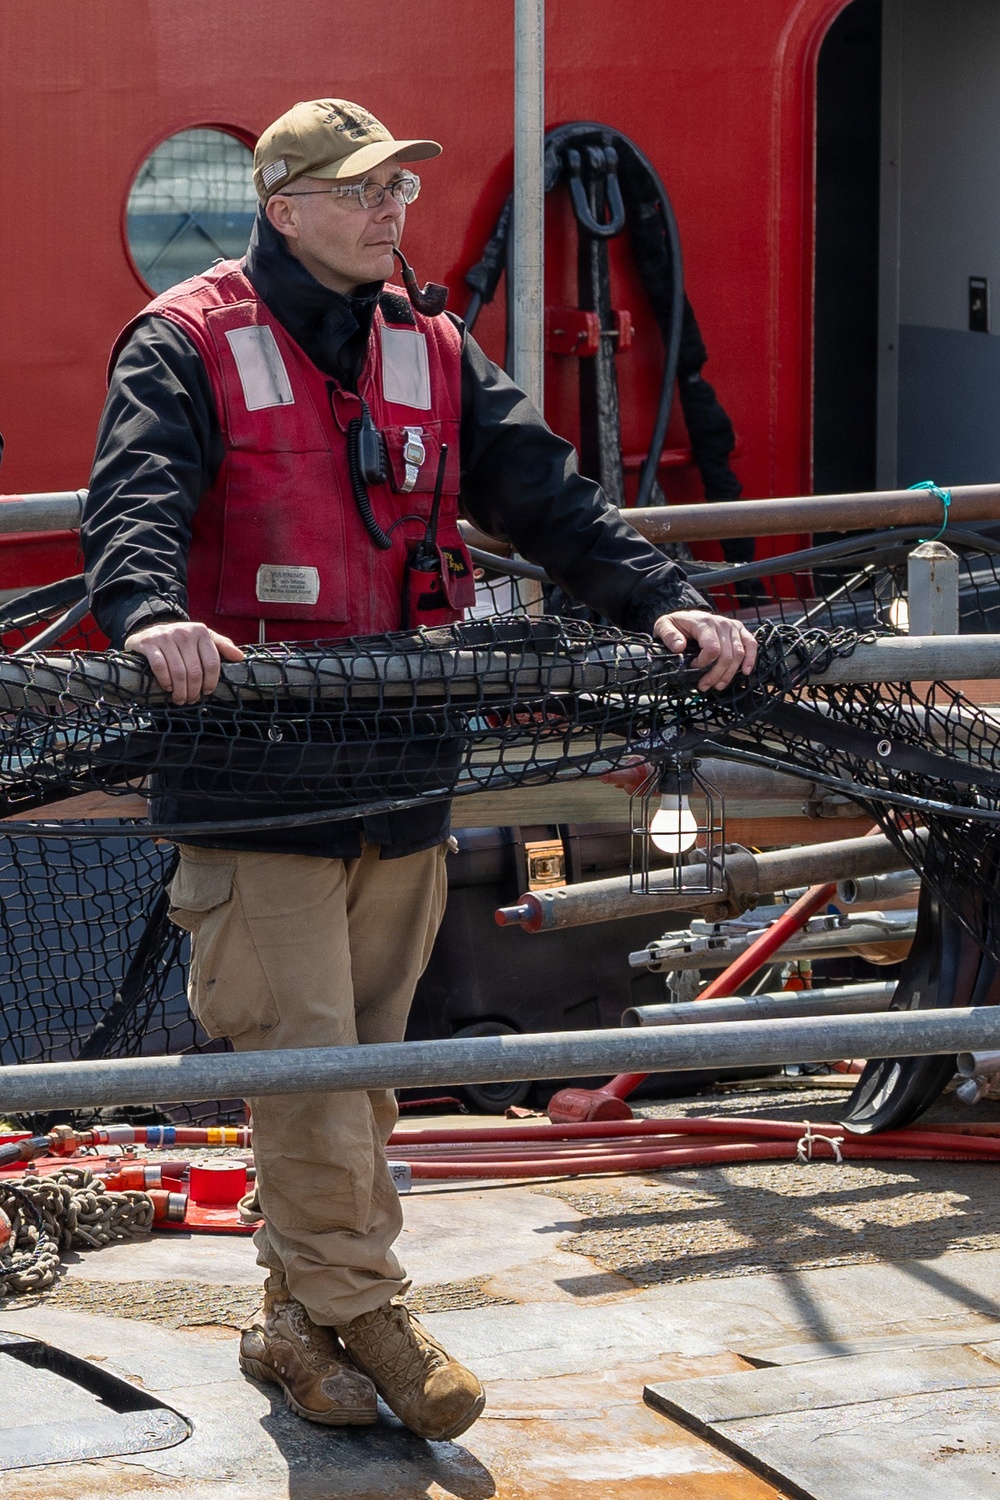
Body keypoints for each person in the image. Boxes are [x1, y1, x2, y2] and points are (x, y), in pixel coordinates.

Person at [82, 98, 757, 1442]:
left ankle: (295, 1325)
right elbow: (136, 500)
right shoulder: (186, 344)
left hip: (401, 775)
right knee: (311, 1069)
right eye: (358, 190)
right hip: (253, 781)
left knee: (364, 1071)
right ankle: (374, 1316)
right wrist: (152, 617)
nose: (391, 207)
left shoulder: (432, 348)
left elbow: (550, 501)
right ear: (283, 209)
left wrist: (665, 602)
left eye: (397, 186)